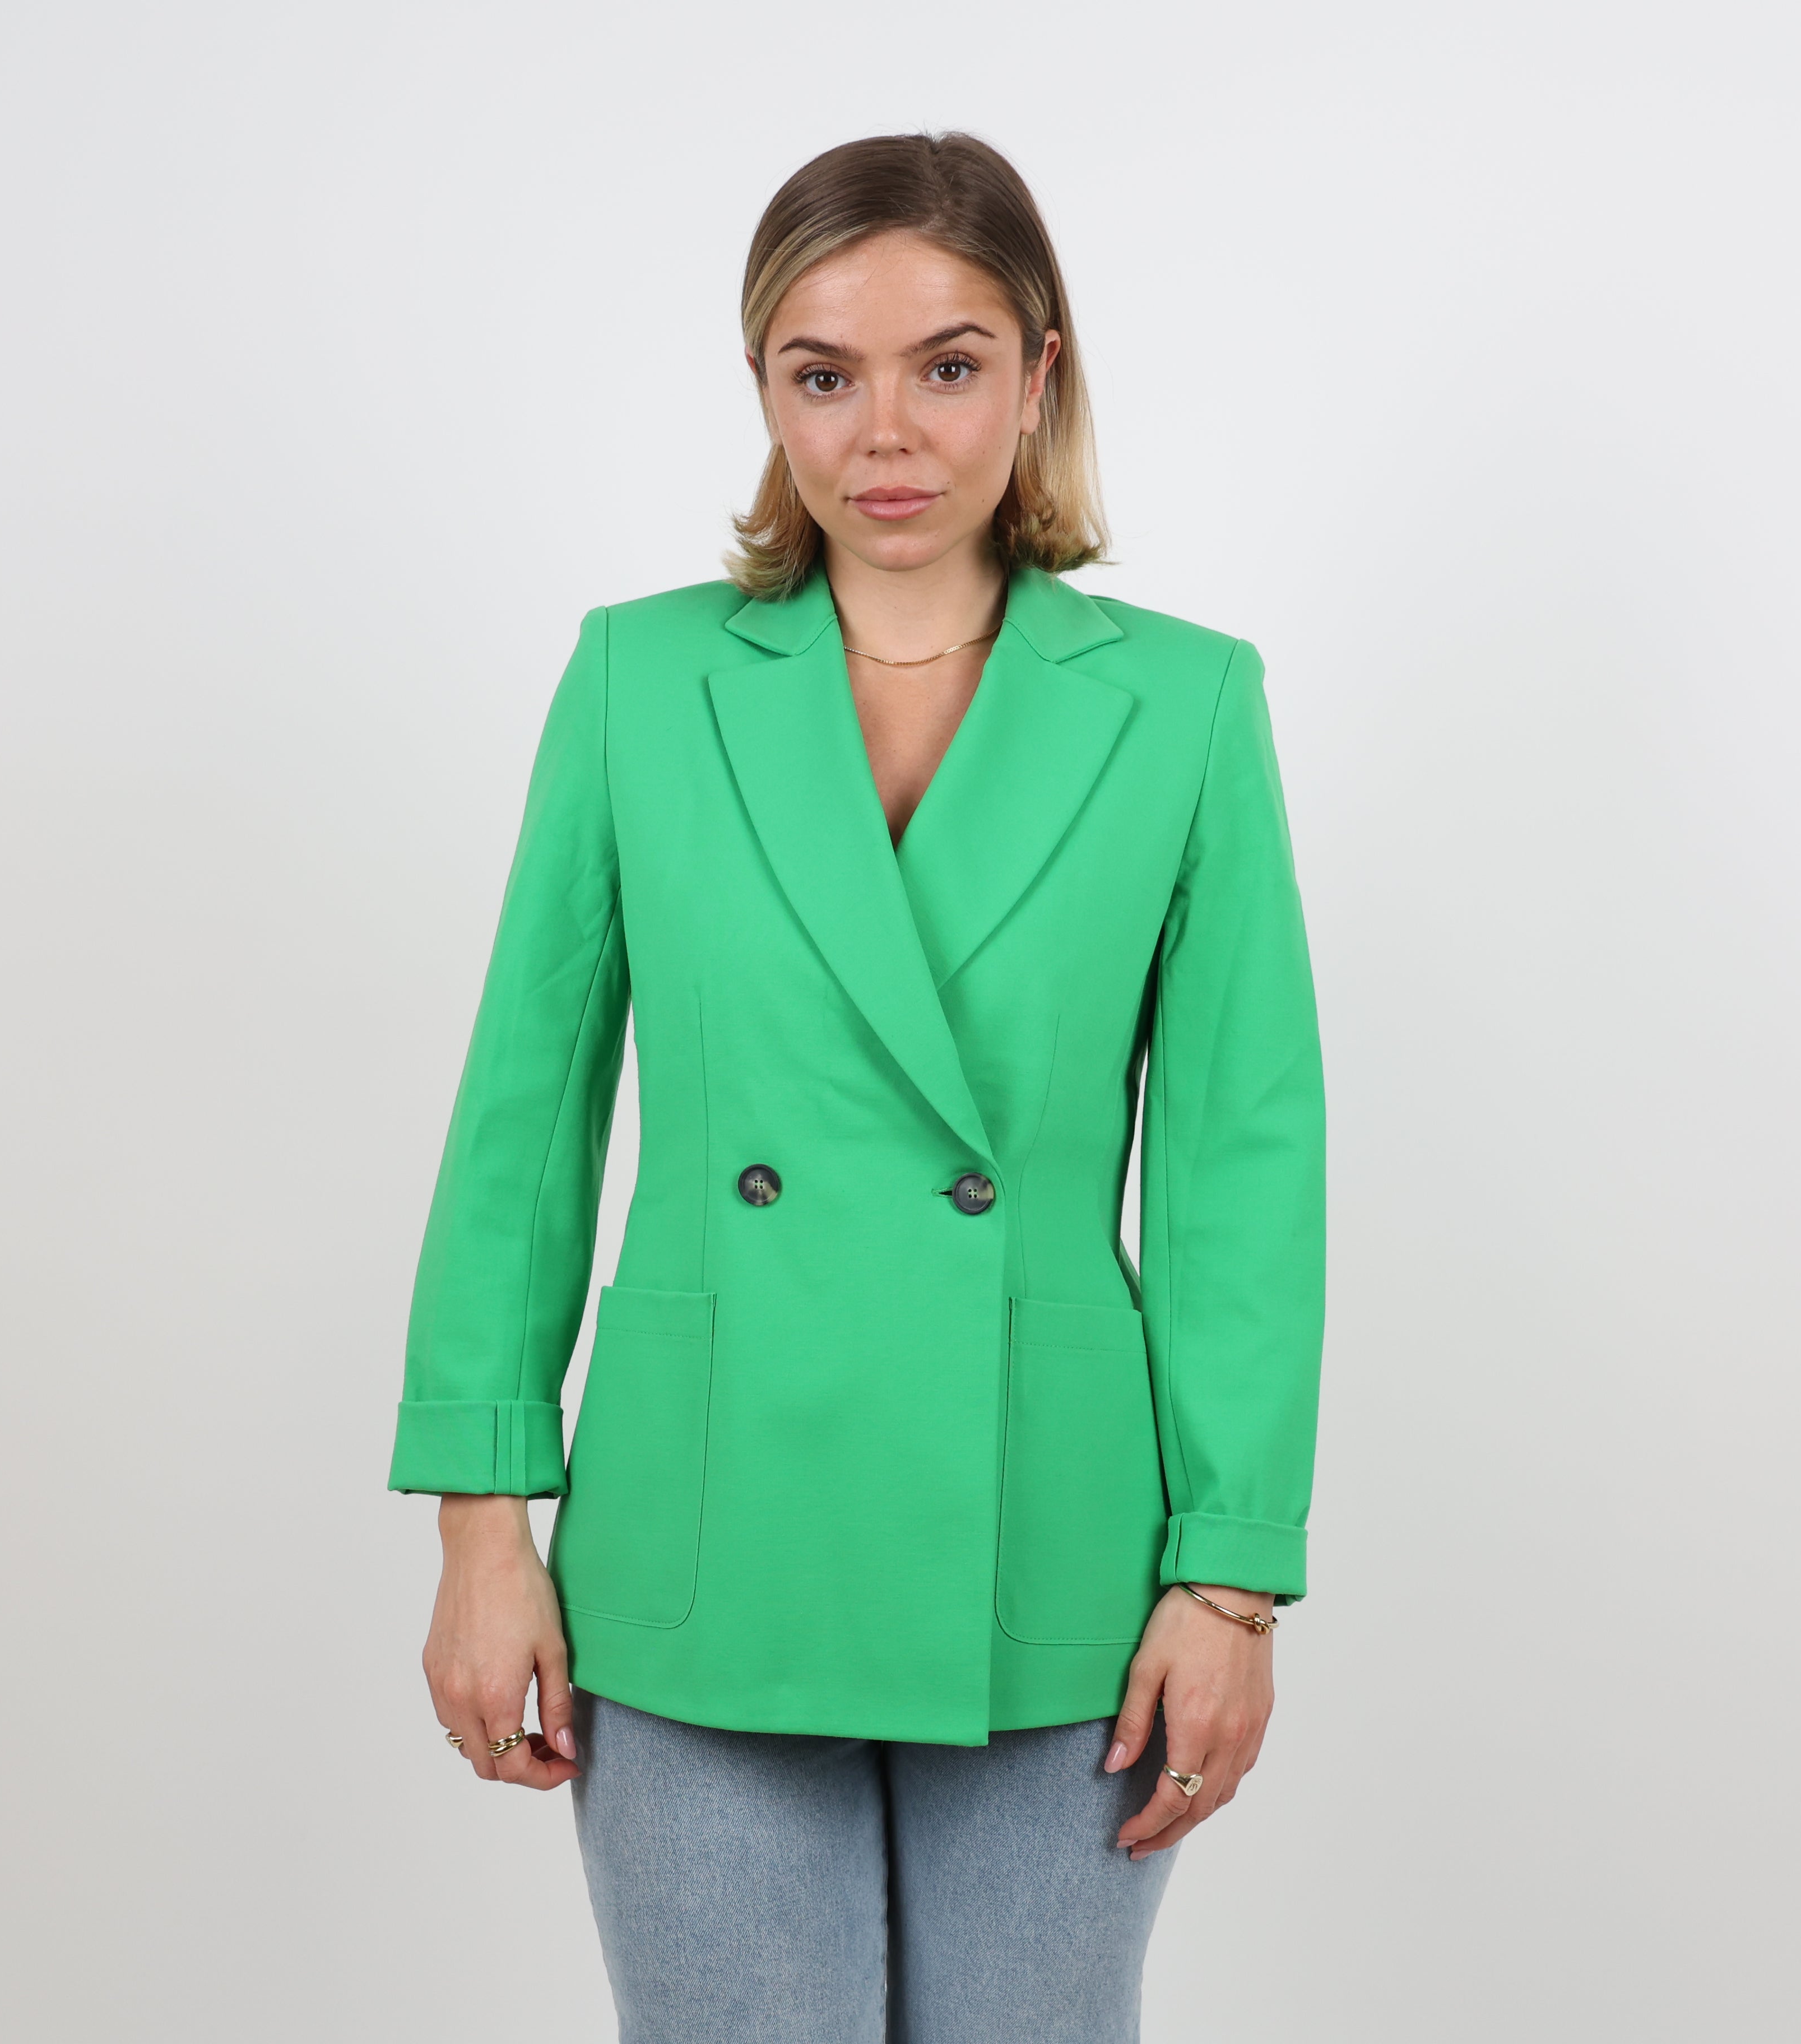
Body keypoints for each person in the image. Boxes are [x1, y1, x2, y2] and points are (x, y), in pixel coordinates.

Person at [388, 131, 1325, 2043]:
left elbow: (1241, 1167)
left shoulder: (1185, 705)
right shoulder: (643, 681)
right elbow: (525, 1112)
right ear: (764, 390)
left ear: (1039, 374)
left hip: (1058, 1545)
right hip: (704, 1518)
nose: (885, 432)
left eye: (947, 365)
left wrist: (1231, 1579)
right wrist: (484, 1520)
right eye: (824, 374)